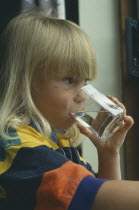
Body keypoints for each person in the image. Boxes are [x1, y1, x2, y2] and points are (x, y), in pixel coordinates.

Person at [0, 8, 137, 210]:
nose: (83, 95)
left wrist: (108, 154)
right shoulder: (17, 147)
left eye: (86, 81)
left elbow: (103, 204)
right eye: (69, 80)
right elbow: (92, 196)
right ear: (23, 83)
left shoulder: (59, 145)